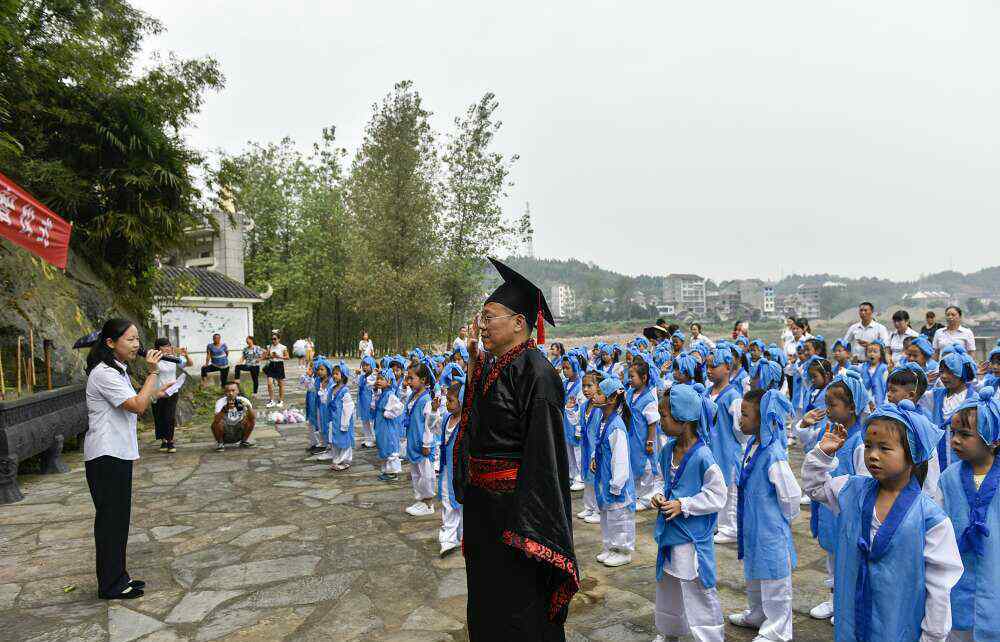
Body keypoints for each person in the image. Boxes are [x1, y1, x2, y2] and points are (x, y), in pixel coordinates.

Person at [453, 257, 578, 641]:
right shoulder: (496, 365)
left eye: (490, 317)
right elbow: (478, 426)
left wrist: (528, 528)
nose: (482, 326)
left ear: (519, 322)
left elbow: (544, 461)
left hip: (515, 520)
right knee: (488, 605)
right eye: (482, 318)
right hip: (485, 513)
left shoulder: (537, 374)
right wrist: (474, 371)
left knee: (520, 612)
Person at [802, 400, 963, 642]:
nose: (872, 455)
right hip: (851, 620)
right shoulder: (850, 489)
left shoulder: (930, 519)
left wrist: (933, 635)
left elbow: (939, 587)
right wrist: (823, 453)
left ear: (912, 454)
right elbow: (814, 488)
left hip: (897, 625)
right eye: (868, 446)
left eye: (884, 448)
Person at [85, 319, 167, 599]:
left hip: (117, 452)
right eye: (130, 340)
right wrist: (152, 373)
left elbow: (139, 399)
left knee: (118, 520)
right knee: (110, 521)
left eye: (137, 340)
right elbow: (136, 406)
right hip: (105, 454)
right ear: (110, 343)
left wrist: (156, 390)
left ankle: (119, 577)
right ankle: (110, 585)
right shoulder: (103, 373)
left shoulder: (116, 370)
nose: (137, 345)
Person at [651, 383, 726, 642]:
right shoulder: (666, 451)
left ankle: (710, 637)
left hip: (691, 539)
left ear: (683, 419)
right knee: (668, 585)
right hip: (670, 533)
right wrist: (660, 497)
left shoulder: (703, 456)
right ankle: (670, 631)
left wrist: (684, 505)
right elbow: (666, 483)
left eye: (664, 415)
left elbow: (718, 495)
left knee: (696, 589)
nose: (660, 420)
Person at [728, 389, 801, 642]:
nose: (741, 420)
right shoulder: (754, 445)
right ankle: (758, 614)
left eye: (746, 415)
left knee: (774, 580)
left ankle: (778, 629)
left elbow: (791, 497)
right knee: (755, 574)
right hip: (754, 527)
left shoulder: (774, 454)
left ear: (762, 419)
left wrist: (778, 523)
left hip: (770, 530)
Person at [939, 388, 1000, 642]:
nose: (955, 441)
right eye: (953, 433)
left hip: (994, 573)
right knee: (957, 629)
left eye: (965, 435)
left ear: (994, 439)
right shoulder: (948, 478)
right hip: (957, 576)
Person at [590, 376, 636, 567]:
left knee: (619, 518)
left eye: (600, 392)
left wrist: (617, 483)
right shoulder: (604, 420)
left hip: (616, 483)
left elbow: (621, 459)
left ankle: (623, 550)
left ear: (612, 399)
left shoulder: (617, 426)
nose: (595, 395)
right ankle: (610, 547)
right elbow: (601, 444)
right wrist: (595, 457)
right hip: (604, 478)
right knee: (607, 516)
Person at [704, 347, 744, 544]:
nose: (709, 370)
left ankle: (730, 528)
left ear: (728, 367)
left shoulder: (733, 396)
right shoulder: (706, 392)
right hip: (710, 450)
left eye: (714, 366)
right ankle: (715, 524)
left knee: (729, 491)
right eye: (707, 366)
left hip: (726, 450)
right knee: (713, 486)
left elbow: (740, 430)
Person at [435, 381, 465, 556]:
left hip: (460, 470)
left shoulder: (466, 422)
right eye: (447, 400)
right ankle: (447, 538)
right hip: (447, 468)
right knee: (447, 501)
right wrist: (434, 411)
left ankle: (460, 535)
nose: (448, 403)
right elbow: (436, 428)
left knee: (459, 502)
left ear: (462, 401)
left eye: (451, 400)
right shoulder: (447, 418)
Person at [404, 361, 437, 515]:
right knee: (416, 473)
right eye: (407, 378)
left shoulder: (426, 400)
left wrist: (426, 444)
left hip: (422, 443)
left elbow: (428, 425)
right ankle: (420, 499)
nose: (408, 382)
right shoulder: (413, 396)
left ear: (423, 380)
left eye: (411, 378)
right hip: (413, 440)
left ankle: (428, 503)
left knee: (426, 474)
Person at [151, 337, 186, 453]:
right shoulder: (155, 359)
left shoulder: (174, 359)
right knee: (159, 416)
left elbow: (187, 363)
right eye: (164, 346)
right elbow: (152, 371)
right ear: (158, 348)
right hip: (158, 392)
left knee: (169, 417)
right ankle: (163, 440)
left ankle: (170, 441)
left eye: (168, 346)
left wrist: (182, 354)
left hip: (172, 392)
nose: (167, 348)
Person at [372, 367, 405, 481]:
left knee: (390, 445)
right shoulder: (383, 393)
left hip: (387, 425)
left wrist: (388, 413)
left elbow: (399, 407)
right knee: (384, 444)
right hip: (381, 425)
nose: (379, 381)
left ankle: (393, 471)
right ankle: (387, 470)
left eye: (382, 379)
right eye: (378, 378)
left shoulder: (390, 394)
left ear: (389, 381)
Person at [212, 380, 255, 451]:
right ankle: (220, 443)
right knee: (216, 423)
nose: (231, 393)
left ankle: (244, 441)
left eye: (233, 390)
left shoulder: (244, 400)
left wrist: (248, 407)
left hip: (239, 430)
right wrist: (225, 409)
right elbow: (215, 421)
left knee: (250, 420)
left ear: (238, 391)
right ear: (225, 392)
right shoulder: (220, 402)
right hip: (225, 431)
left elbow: (253, 418)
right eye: (228, 391)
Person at [263, 332, 288, 408]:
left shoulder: (283, 347)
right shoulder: (269, 347)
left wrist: (278, 356)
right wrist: (270, 356)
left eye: (275, 339)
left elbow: (287, 357)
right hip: (271, 365)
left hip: (279, 365)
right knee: (269, 383)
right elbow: (265, 357)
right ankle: (271, 400)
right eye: (272, 339)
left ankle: (281, 400)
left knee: (280, 384)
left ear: (279, 339)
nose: (273, 340)